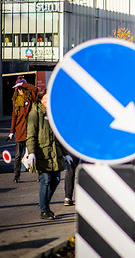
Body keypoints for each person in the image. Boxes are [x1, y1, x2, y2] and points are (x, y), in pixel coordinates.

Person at [25, 92, 73, 220]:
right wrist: (31, 153)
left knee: (56, 180)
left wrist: (65, 154)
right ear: (41, 100)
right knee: (45, 180)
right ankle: (44, 210)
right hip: (43, 154)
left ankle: (44, 204)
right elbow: (31, 134)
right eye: (45, 98)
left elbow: (58, 136)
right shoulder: (35, 113)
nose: (48, 100)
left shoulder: (53, 114)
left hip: (55, 154)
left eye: (49, 98)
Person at [10, 76, 38, 183]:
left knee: (34, 153)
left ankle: (39, 175)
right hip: (20, 131)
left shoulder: (30, 98)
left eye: (22, 88)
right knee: (18, 155)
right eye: (19, 88)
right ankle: (16, 176)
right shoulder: (16, 101)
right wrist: (12, 132)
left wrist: (23, 84)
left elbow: (35, 89)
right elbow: (14, 117)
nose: (21, 90)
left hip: (30, 131)